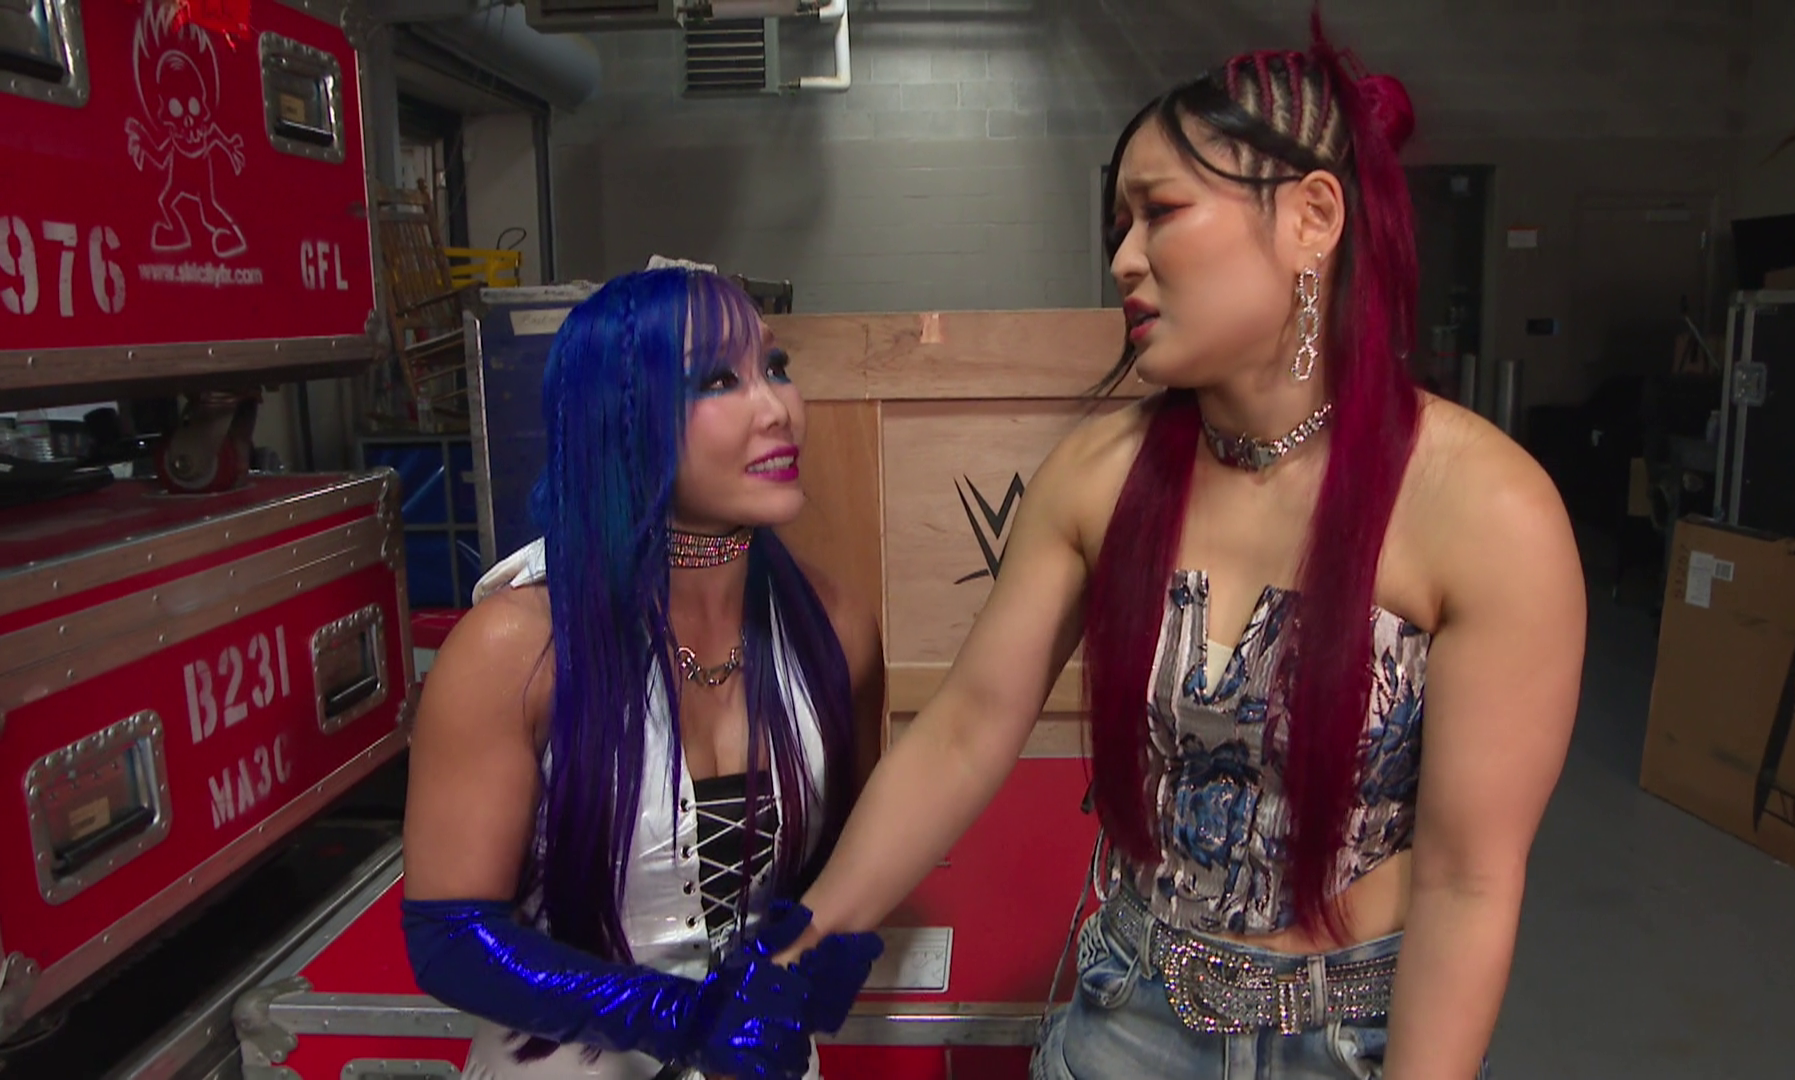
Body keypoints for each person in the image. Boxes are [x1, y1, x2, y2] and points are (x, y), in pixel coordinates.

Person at [773, 18, 1587, 1080]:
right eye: (1118, 224)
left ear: (1312, 218)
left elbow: (1467, 880)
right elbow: (964, 732)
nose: (1122, 259)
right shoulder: (1098, 475)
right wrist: (798, 945)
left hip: (1353, 1039)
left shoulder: (1485, 508)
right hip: (1129, 1012)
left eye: (1160, 212)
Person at [399, 268, 888, 1080]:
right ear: (620, 417)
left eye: (775, 367)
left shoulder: (834, 627)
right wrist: (679, 1018)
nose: (777, 408)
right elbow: (450, 937)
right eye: (719, 379)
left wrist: (811, 960)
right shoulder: (514, 649)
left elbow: (857, 853)